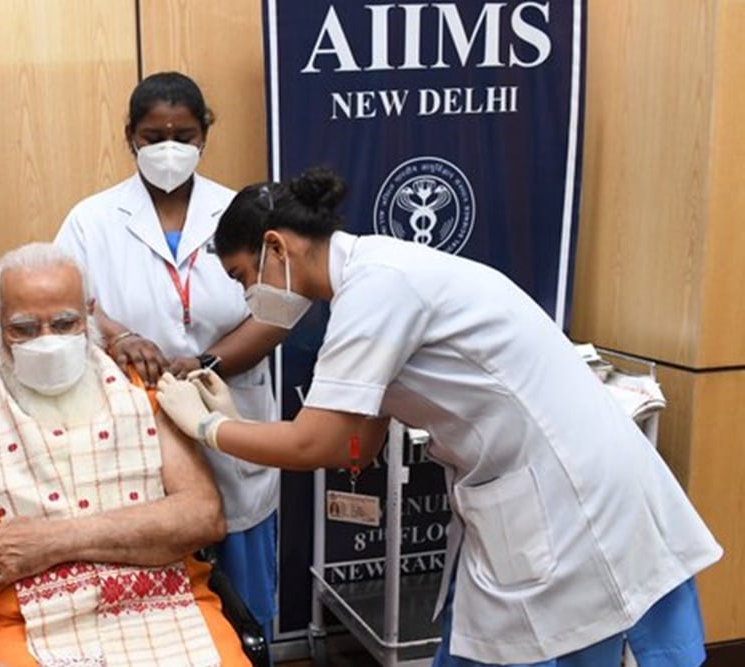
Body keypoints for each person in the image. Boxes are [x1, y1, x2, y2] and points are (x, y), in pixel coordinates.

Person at [155, 167, 723, 667]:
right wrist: (234, 416)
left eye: (240, 276)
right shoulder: (371, 281)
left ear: (276, 248)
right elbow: (359, 445)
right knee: (480, 639)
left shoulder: (377, 289)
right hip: (541, 491)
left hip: (568, 499)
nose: (248, 296)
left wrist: (211, 429)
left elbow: (319, 446)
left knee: (555, 638)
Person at [0, 243, 250, 667]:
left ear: (89, 314)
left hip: (169, 606)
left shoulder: (143, 393)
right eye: (24, 329)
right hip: (25, 632)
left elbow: (202, 516)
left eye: (64, 323)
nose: (47, 342)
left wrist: (52, 541)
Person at [54, 72, 286, 638]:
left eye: (182, 135)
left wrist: (209, 364)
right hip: (137, 422)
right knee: (156, 608)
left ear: (205, 132)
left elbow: (279, 309)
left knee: (246, 606)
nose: (168, 149)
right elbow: (68, 304)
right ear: (130, 135)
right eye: (153, 137)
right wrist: (117, 336)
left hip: (231, 412)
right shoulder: (92, 220)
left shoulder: (240, 210)